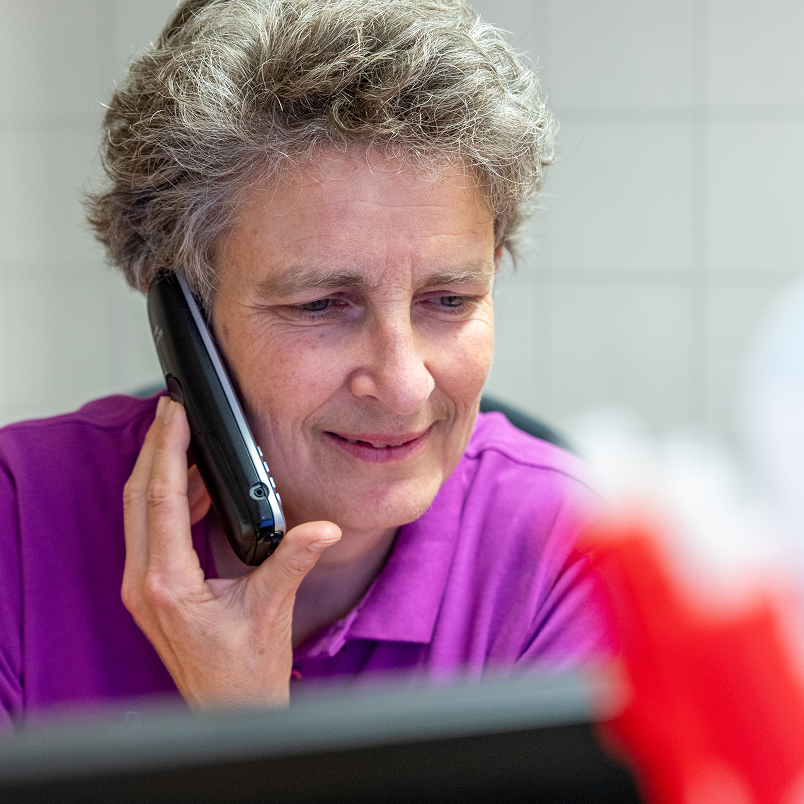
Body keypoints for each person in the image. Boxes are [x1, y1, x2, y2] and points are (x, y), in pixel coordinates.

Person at [0, 0, 610, 728]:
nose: (404, 383)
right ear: (182, 317)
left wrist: (246, 732)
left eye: (448, 299)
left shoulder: (572, 551)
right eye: (322, 305)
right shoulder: (20, 524)